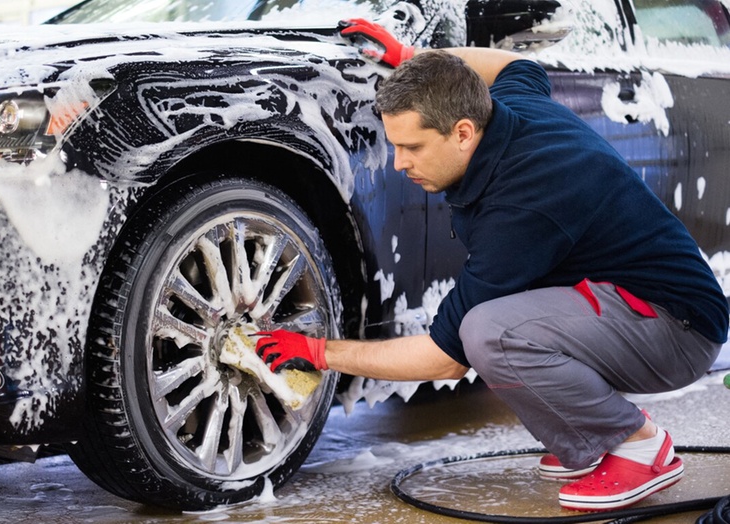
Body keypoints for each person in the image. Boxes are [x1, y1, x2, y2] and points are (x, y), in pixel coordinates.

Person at [253, 18, 729, 512]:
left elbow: (446, 357)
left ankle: (640, 445)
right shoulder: (507, 108)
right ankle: (587, 443)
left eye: (412, 147)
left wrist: (319, 351)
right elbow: (518, 64)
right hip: (632, 303)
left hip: (677, 331)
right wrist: (412, 56)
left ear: (462, 132)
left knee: (488, 332)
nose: (398, 163)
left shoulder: (521, 209)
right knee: (495, 324)